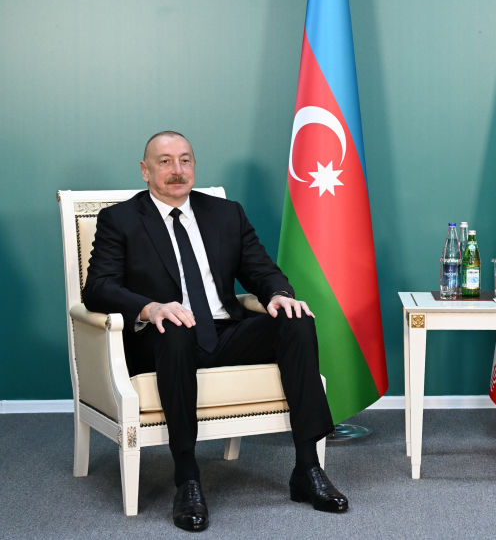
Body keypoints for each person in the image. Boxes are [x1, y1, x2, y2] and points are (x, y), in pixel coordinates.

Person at [83, 131, 347, 531]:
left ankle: (307, 469)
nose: (177, 170)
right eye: (165, 161)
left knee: (296, 320)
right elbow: (98, 287)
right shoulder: (120, 219)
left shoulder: (226, 213)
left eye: (185, 160)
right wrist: (151, 308)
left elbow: (261, 270)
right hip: (162, 339)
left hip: (224, 333)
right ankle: (187, 478)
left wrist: (279, 295)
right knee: (175, 329)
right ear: (145, 171)